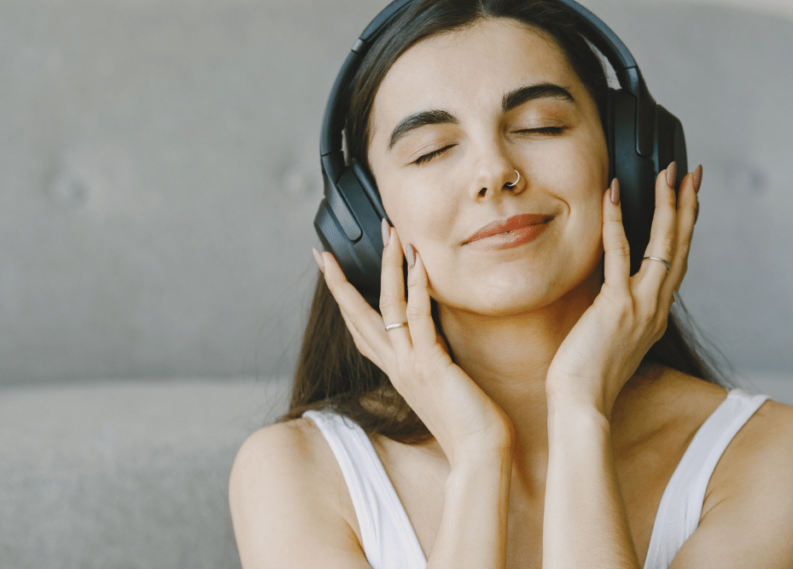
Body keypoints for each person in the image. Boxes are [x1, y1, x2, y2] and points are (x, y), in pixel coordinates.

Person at [229, 1, 793, 568]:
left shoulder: (771, 455)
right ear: (365, 220)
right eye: (431, 150)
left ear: (625, 158)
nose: (493, 171)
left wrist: (580, 412)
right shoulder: (296, 471)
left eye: (539, 125)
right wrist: (478, 457)